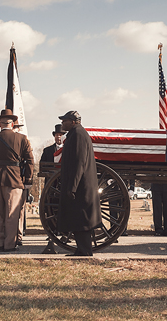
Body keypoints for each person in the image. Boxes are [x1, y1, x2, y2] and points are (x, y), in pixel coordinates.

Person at [0, 109, 35, 252]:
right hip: (14, 179)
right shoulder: (22, 139)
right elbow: (29, 160)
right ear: (12, 123)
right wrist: (28, 179)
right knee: (12, 214)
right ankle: (10, 244)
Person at [57, 110, 100, 257]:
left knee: (82, 219)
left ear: (73, 122)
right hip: (80, 184)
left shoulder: (78, 135)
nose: (63, 123)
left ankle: (85, 250)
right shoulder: (76, 134)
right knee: (78, 218)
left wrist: (72, 187)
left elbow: (78, 162)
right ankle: (81, 249)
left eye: (65, 121)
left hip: (81, 185)